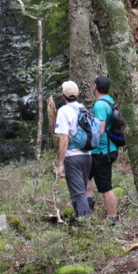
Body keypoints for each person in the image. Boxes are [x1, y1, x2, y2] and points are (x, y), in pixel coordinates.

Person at [54, 81, 92, 218]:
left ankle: (85, 227)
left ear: (63, 95)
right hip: (87, 155)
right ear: (77, 94)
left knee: (78, 193)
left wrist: (60, 163)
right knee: (83, 190)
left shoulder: (64, 111)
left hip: (73, 157)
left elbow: (64, 138)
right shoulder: (84, 109)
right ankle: (88, 221)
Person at [86, 76, 119, 221]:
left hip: (101, 151)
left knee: (105, 187)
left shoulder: (99, 105)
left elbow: (99, 129)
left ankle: (113, 217)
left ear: (95, 87)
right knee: (87, 177)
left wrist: (88, 144)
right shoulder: (111, 101)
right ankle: (88, 208)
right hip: (108, 148)